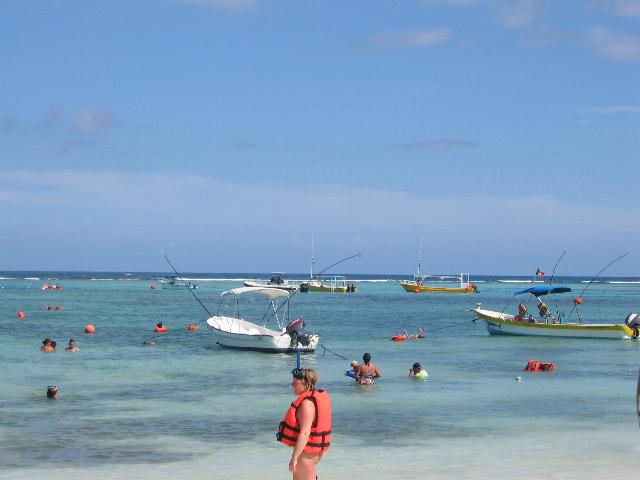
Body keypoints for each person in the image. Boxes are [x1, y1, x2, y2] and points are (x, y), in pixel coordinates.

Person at [277, 368, 331, 480]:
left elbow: (305, 433)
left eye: (295, 382)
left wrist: (294, 457)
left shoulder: (306, 404)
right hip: (311, 455)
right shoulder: (313, 399)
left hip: (305, 457)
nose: (292, 384)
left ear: (306, 384)